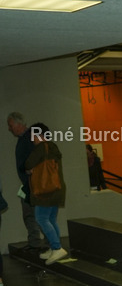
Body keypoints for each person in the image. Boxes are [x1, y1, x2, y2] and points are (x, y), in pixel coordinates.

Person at [24, 123, 68, 265]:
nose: (32, 140)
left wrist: (29, 170)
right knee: (51, 219)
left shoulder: (41, 148)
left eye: (33, 136)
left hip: (45, 191)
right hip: (56, 189)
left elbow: (28, 163)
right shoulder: (53, 146)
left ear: (39, 135)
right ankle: (54, 247)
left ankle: (56, 247)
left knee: (41, 218)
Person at [6, 112, 46, 251]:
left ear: (18, 124)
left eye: (11, 125)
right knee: (31, 214)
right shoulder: (25, 138)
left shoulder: (29, 138)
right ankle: (39, 242)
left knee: (35, 215)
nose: (10, 129)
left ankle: (46, 243)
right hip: (29, 184)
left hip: (33, 184)